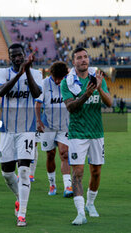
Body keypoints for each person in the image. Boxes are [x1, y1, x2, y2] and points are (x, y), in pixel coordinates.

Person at [61, 47, 112, 225]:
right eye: (79, 58)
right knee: (78, 172)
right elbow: (70, 107)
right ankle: (80, 212)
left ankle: (90, 204)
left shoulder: (97, 78)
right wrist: (86, 94)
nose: (83, 60)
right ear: (73, 62)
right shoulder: (67, 82)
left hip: (97, 132)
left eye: (85, 57)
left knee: (96, 172)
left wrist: (99, 89)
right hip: (77, 133)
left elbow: (109, 103)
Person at [0, 43, 42, 227]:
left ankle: (22, 213)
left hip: (27, 130)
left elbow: (37, 93)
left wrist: (28, 72)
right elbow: (0, 91)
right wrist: (19, 74)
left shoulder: (36, 73)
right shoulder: (2, 73)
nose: (17, 57)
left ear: (24, 55)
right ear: (9, 58)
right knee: (7, 173)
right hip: (7, 129)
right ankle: (19, 196)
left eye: (19, 54)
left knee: (23, 171)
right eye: (13, 55)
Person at [35, 61, 72, 197]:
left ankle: (68, 186)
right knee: (50, 154)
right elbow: (38, 104)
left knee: (64, 153)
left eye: (61, 78)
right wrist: (38, 121)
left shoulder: (69, 82)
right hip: (48, 126)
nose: (58, 81)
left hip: (64, 126)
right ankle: (52, 184)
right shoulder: (44, 84)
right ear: (52, 75)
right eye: (56, 78)